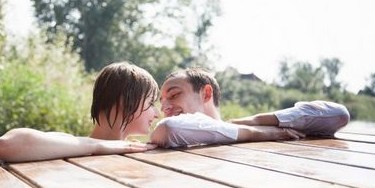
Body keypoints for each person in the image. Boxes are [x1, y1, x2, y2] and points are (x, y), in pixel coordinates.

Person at [0, 62, 159, 162]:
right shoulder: (70, 143)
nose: (157, 113)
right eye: (151, 103)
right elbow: (5, 145)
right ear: (125, 100)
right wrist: (99, 146)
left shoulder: (140, 148)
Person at [150, 67, 350, 148]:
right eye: (162, 100)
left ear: (206, 94)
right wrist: (254, 133)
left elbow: (338, 115)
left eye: (174, 95)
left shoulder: (259, 129)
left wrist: (258, 121)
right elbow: (168, 129)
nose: (164, 107)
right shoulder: (255, 134)